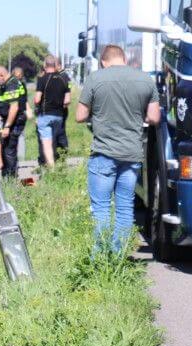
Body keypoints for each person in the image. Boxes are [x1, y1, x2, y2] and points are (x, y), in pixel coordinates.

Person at [76, 44, 160, 254]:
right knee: (124, 209)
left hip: (104, 153)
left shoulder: (96, 79)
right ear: (123, 58)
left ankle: (101, 257)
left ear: (104, 61)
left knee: (101, 208)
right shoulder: (145, 80)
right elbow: (154, 118)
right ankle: (119, 255)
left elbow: (79, 116)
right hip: (131, 155)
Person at [34, 55, 72, 167]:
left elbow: (37, 99)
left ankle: (51, 169)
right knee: (56, 140)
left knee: (46, 144)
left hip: (45, 115)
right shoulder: (63, 79)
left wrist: (37, 103)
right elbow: (67, 100)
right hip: (59, 116)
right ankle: (59, 164)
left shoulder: (42, 79)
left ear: (45, 65)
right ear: (56, 65)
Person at [0, 65, 27, 178]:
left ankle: (11, 180)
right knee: (5, 148)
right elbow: (1, 104)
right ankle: (7, 176)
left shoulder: (12, 84)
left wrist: (7, 126)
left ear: (1, 74)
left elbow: (14, 107)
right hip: (7, 121)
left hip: (14, 122)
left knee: (9, 151)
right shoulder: (5, 85)